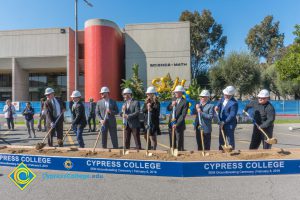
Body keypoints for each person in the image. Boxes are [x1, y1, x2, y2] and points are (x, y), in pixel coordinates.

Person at [215, 86, 238, 150]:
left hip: (229, 123)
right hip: (221, 121)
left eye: (227, 95)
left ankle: (231, 151)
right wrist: (217, 106)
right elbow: (220, 102)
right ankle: (221, 151)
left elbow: (232, 115)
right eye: (224, 94)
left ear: (231, 95)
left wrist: (224, 122)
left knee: (230, 138)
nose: (225, 96)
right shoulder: (223, 98)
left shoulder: (234, 103)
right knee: (221, 137)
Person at [167, 85, 188, 151]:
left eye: (177, 92)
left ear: (181, 93)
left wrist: (177, 124)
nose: (175, 93)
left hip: (179, 125)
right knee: (172, 139)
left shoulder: (185, 102)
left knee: (179, 140)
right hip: (171, 124)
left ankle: (180, 152)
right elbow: (168, 108)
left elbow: (183, 115)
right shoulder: (173, 99)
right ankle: (172, 150)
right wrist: (172, 105)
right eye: (175, 92)